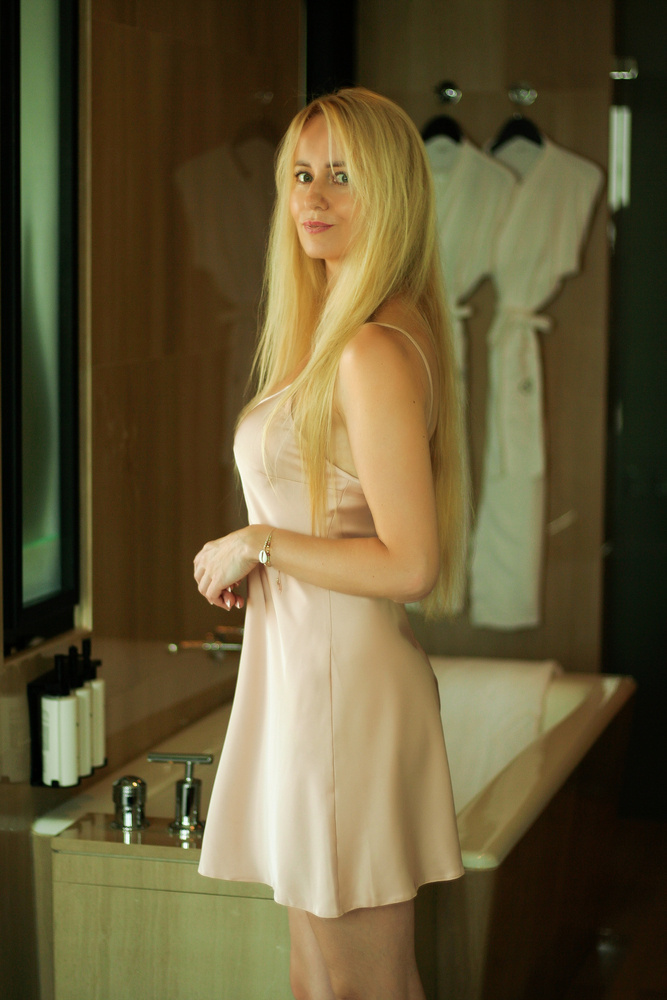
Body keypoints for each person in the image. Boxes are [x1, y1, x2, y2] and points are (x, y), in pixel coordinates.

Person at [193, 87, 468, 1000]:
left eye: (341, 176)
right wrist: (265, 557)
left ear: (389, 191)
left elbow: (410, 563)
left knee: (358, 990)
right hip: (307, 680)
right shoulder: (339, 334)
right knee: (317, 984)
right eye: (302, 174)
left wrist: (260, 543)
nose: (311, 196)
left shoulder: (370, 349)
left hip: (340, 693)